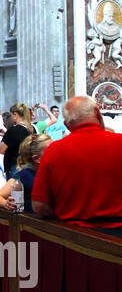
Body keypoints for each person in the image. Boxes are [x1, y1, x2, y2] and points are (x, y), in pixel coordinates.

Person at [31, 96, 122, 235]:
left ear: (67, 125)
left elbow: (39, 205)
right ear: (98, 113)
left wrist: (65, 211)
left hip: (72, 237)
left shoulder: (53, 151)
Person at [0, 133, 51, 214]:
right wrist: (5, 203)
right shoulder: (25, 175)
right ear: (37, 159)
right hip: (33, 222)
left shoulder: (53, 172)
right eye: (51, 150)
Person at [0, 102, 33, 179]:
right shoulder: (32, 129)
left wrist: (6, 137)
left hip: (14, 165)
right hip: (28, 165)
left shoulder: (14, 130)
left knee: (15, 190)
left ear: (15, 115)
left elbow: (0, 150)